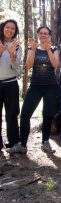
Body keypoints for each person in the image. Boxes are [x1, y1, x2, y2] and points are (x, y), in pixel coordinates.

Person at [7, 26, 59, 154]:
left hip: (51, 87)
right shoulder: (32, 47)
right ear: (38, 35)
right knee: (25, 115)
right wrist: (33, 50)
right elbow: (28, 66)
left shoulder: (54, 48)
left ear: (50, 35)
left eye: (46, 33)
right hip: (35, 86)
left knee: (47, 115)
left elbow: (55, 65)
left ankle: (45, 142)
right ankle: (22, 144)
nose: (43, 35)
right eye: (41, 33)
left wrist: (48, 51)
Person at [0, 19, 21, 151]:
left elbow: (17, 68)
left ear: (15, 31)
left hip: (11, 84)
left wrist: (13, 55)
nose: (10, 30)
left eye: (13, 28)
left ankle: (14, 143)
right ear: (3, 28)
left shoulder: (17, 46)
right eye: (7, 27)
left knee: (12, 114)